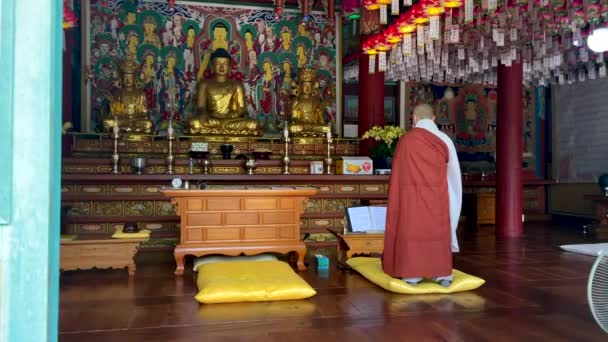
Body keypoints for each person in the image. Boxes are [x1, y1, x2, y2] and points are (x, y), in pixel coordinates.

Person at [382, 104, 462, 287]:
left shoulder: (406, 140)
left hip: (411, 200)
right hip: (438, 198)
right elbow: (454, 174)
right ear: (433, 119)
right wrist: (453, 198)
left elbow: (397, 176)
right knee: (438, 233)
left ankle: (412, 275)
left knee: (413, 230)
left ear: (415, 119)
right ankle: (442, 274)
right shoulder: (445, 140)